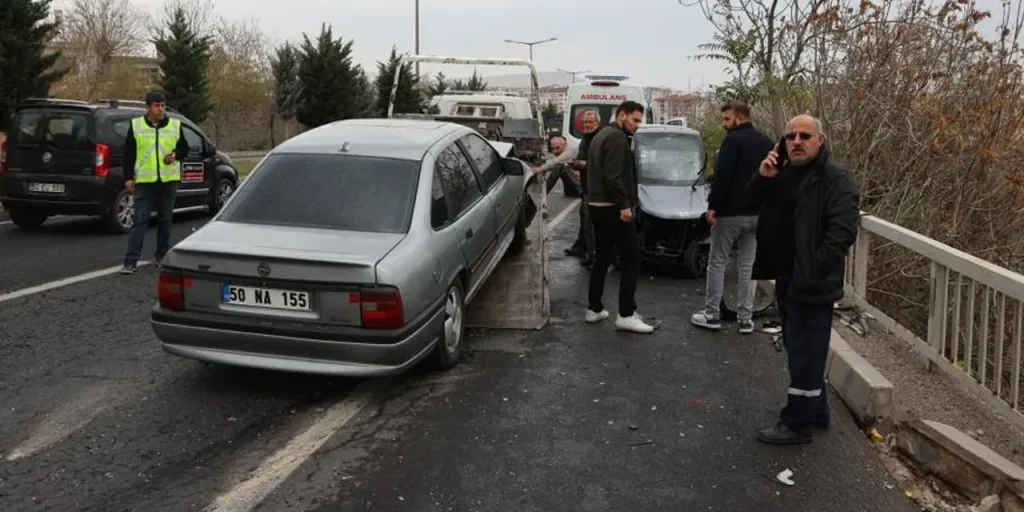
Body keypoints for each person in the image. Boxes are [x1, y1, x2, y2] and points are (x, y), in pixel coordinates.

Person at [747, 114, 859, 445]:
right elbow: (749, 202)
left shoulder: (835, 178)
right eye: (790, 136)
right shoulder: (783, 173)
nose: (796, 141)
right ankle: (817, 412)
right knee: (800, 348)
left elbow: (842, 232)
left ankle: (797, 424)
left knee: (805, 353)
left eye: (805, 136)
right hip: (786, 277)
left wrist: (812, 270)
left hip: (812, 282)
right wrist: (763, 177)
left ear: (820, 141)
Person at [691, 100, 774, 334]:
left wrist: (713, 207)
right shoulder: (767, 142)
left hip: (730, 213)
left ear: (739, 117)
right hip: (757, 215)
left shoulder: (732, 141)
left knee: (717, 262)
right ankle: (745, 319)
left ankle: (712, 314)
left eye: (727, 119)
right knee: (748, 266)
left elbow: (723, 177)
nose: (724, 123)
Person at [585, 100, 654, 334]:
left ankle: (594, 308)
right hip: (612, 208)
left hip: (597, 205)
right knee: (632, 259)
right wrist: (624, 206)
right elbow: (613, 176)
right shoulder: (616, 138)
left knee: (602, 257)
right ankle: (626, 314)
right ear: (622, 115)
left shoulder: (601, 134)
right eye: (634, 120)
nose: (637, 125)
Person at [119, 91, 190, 274]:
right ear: (148, 108)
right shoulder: (136, 125)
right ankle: (130, 261)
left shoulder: (174, 125)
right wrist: (128, 177)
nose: (160, 109)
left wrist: (176, 155)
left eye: (163, 105)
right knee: (140, 221)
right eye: (157, 105)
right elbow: (129, 153)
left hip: (168, 180)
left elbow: (184, 148)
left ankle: (162, 255)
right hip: (145, 181)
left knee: (166, 219)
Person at [568, 110, 601, 266]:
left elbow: (601, 163)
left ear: (597, 123)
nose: (587, 125)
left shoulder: (599, 139)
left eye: (590, 122)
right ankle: (582, 248)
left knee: (591, 223)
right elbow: (582, 159)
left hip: (597, 189)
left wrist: (583, 164)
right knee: (584, 218)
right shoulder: (584, 140)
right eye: (585, 123)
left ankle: (593, 257)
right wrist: (575, 163)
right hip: (586, 187)